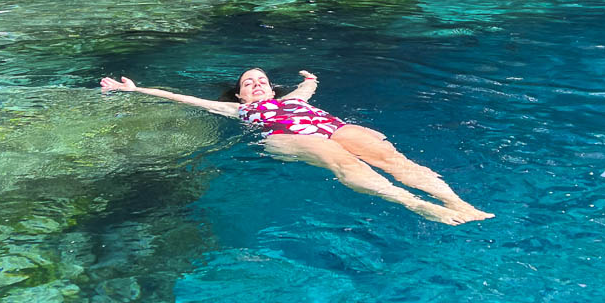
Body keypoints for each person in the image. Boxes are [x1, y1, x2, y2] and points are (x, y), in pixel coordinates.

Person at [99, 68, 492, 226]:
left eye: (262, 79)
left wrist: (312, 79)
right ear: (239, 94)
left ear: (273, 88)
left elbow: (308, 86)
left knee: (387, 155)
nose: (256, 83)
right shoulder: (236, 109)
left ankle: (459, 204)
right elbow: (180, 97)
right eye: (248, 82)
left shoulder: (294, 99)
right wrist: (132, 90)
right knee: (337, 159)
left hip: (331, 127)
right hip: (286, 138)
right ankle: (416, 205)